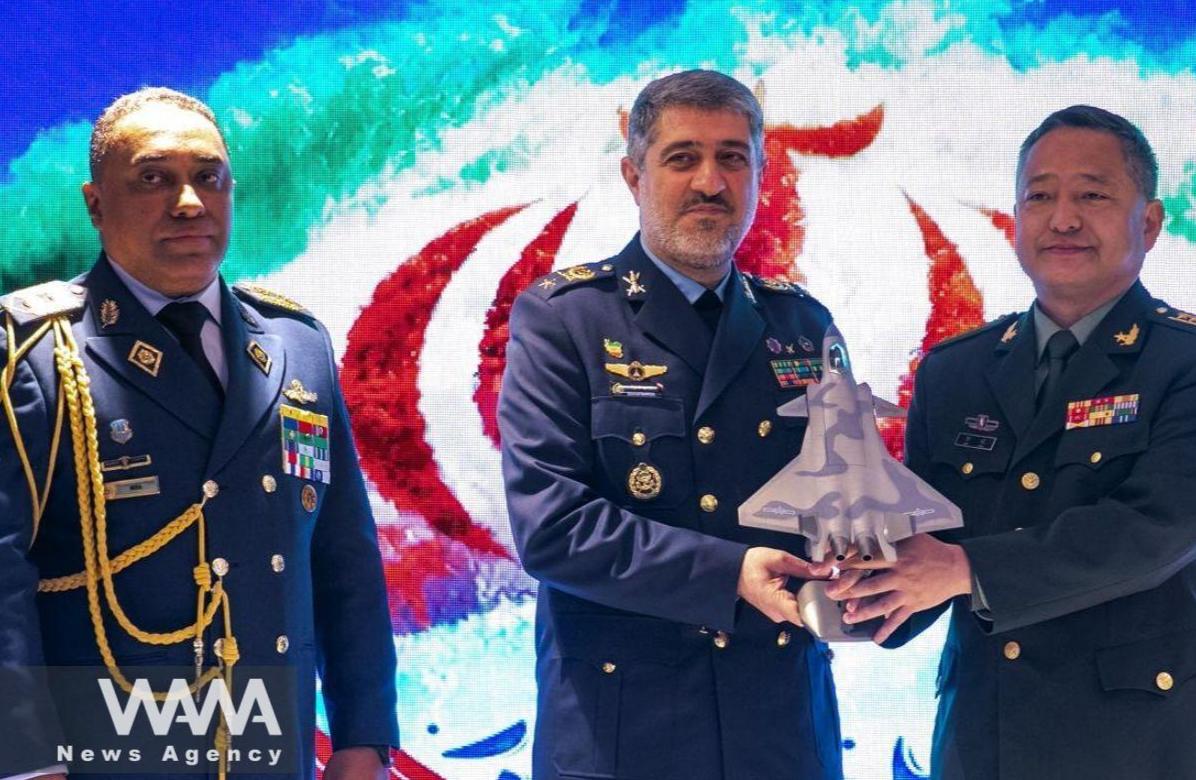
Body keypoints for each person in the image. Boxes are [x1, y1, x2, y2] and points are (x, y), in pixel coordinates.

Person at [0, 88, 397, 779]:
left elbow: (343, 559)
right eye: (153, 179)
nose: (189, 202)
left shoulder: (297, 344)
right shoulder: (33, 354)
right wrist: (27, 762)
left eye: (209, 177)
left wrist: (363, 737)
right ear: (96, 204)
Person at [829, 105, 1196, 778]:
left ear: (1148, 223)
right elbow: (925, 551)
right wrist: (854, 577)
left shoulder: (1183, 362)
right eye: (1040, 196)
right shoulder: (955, 371)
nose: (1063, 219)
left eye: (1092, 195)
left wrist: (966, 570)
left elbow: (1158, 529)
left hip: (1133, 744)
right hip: (981, 741)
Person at [499, 69, 842, 780]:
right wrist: (729, 573)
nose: (710, 182)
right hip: (625, 735)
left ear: (759, 175)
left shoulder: (803, 325)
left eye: (732, 158)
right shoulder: (565, 320)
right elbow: (552, 528)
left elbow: (845, 500)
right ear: (634, 175)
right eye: (683, 158)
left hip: (779, 729)